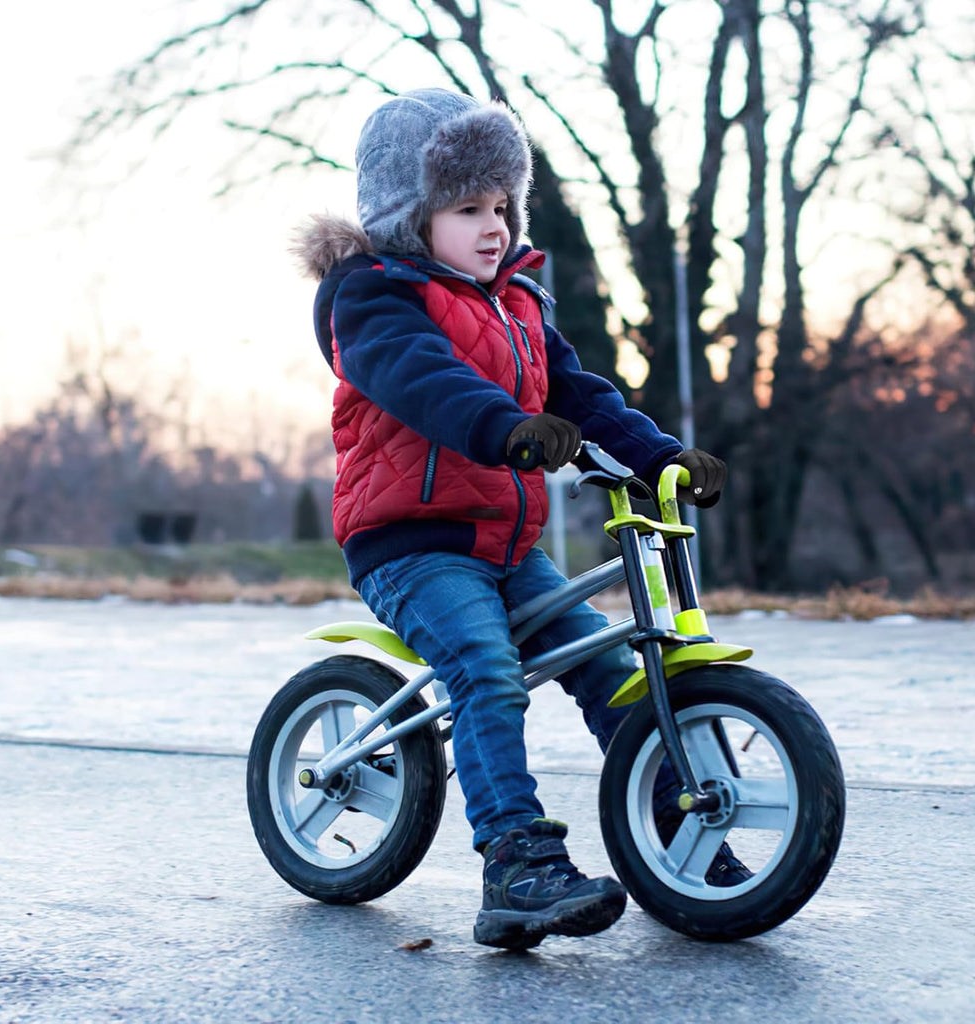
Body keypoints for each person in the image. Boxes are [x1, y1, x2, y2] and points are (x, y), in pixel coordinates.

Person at [294, 87, 747, 950]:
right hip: (411, 543)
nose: (495, 225)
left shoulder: (521, 304)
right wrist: (505, 428)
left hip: (507, 543)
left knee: (612, 665)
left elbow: (583, 397)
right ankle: (515, 864)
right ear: (407, 213)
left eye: (503, 204)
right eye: (468, 207)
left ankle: (680, 827)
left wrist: (662, 458)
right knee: (487, 670)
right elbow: (424, 379)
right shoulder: (373, 297)